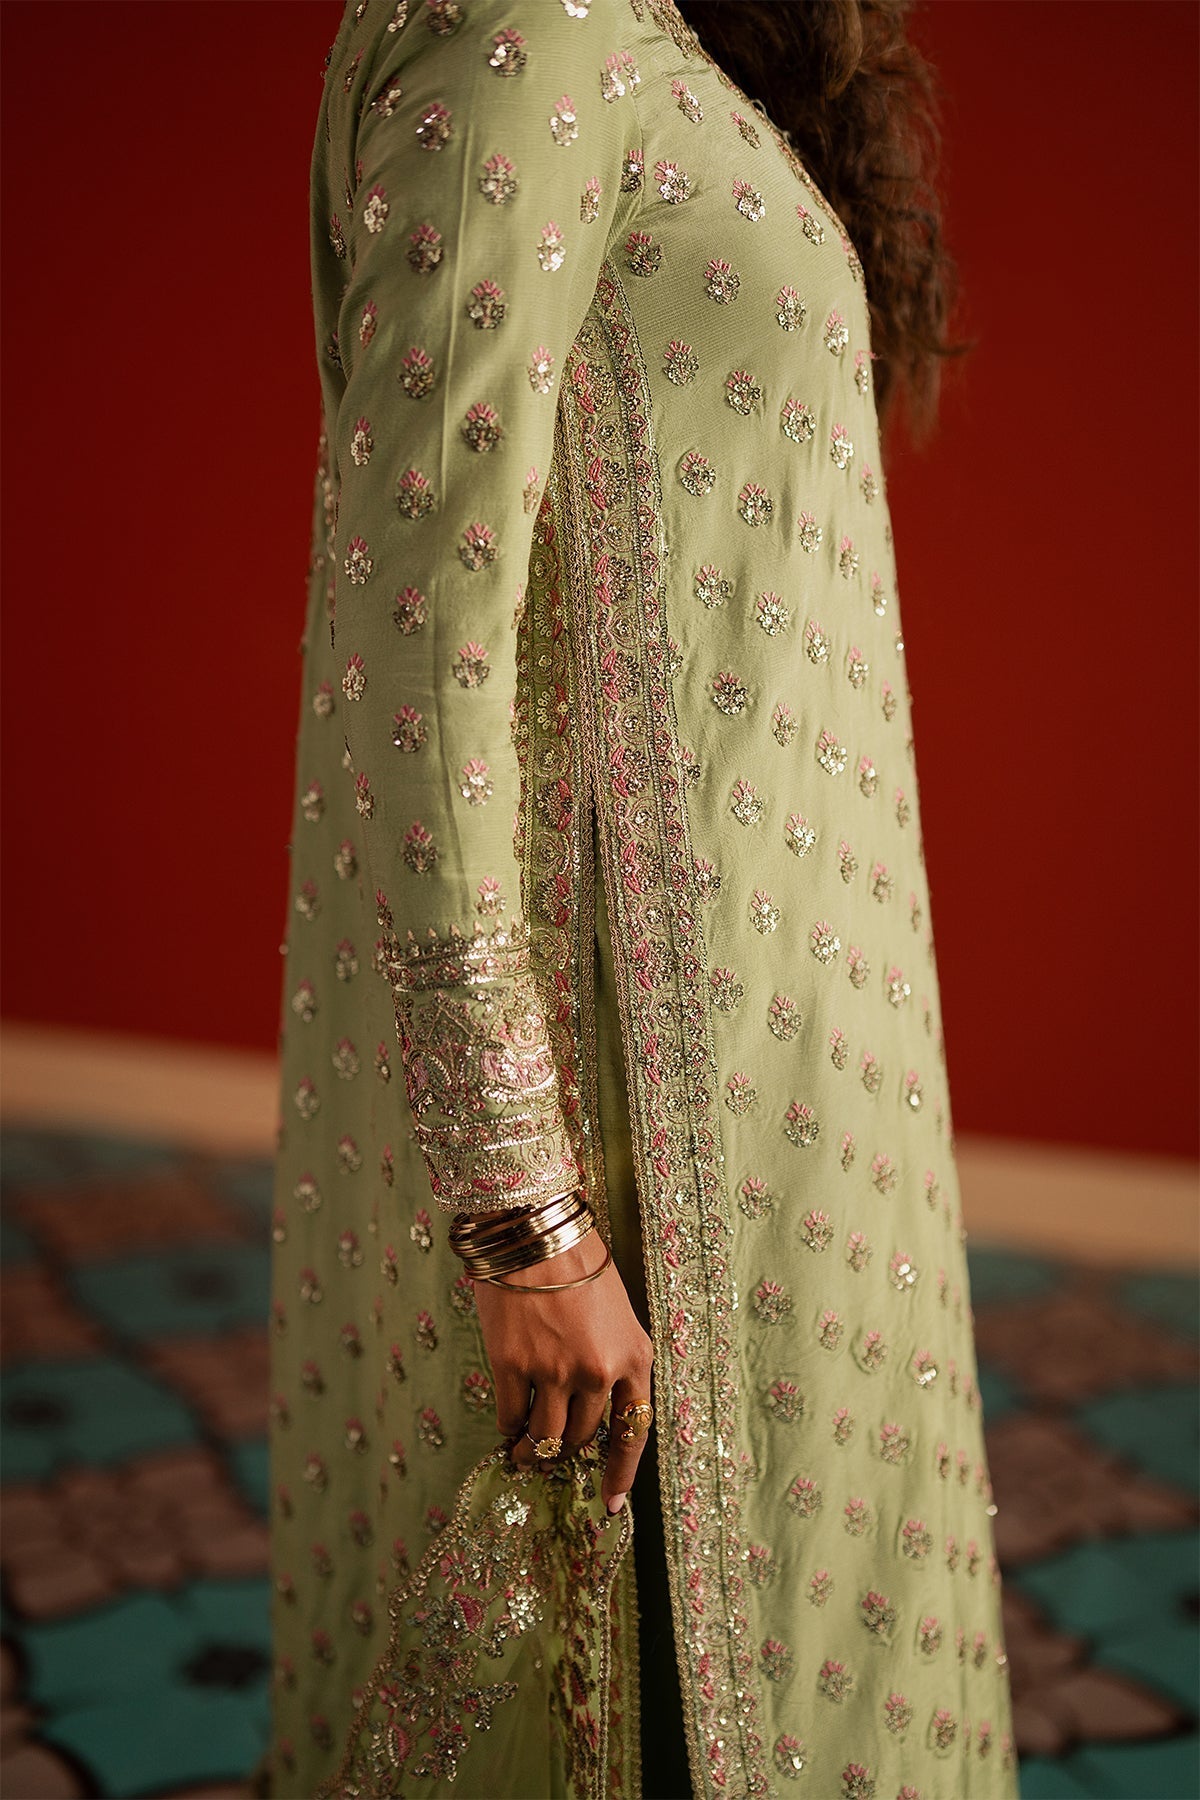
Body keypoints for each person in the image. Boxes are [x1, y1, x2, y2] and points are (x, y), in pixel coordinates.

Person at [263, 0, 1019, 1795]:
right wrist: (523, 1212)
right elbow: (419, 615)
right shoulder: (520, 21)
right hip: (636, 1099)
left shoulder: (660, 47)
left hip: (798, 1066)